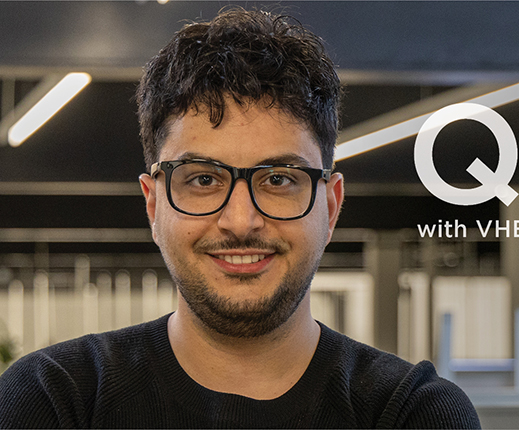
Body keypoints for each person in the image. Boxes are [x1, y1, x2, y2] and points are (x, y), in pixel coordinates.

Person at [0, 7, 480, 428]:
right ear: (153, 203)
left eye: (278, 179)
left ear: (330, 206)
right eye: (203, 179)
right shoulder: (54, 402)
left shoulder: (411, 414)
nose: (240, 220)